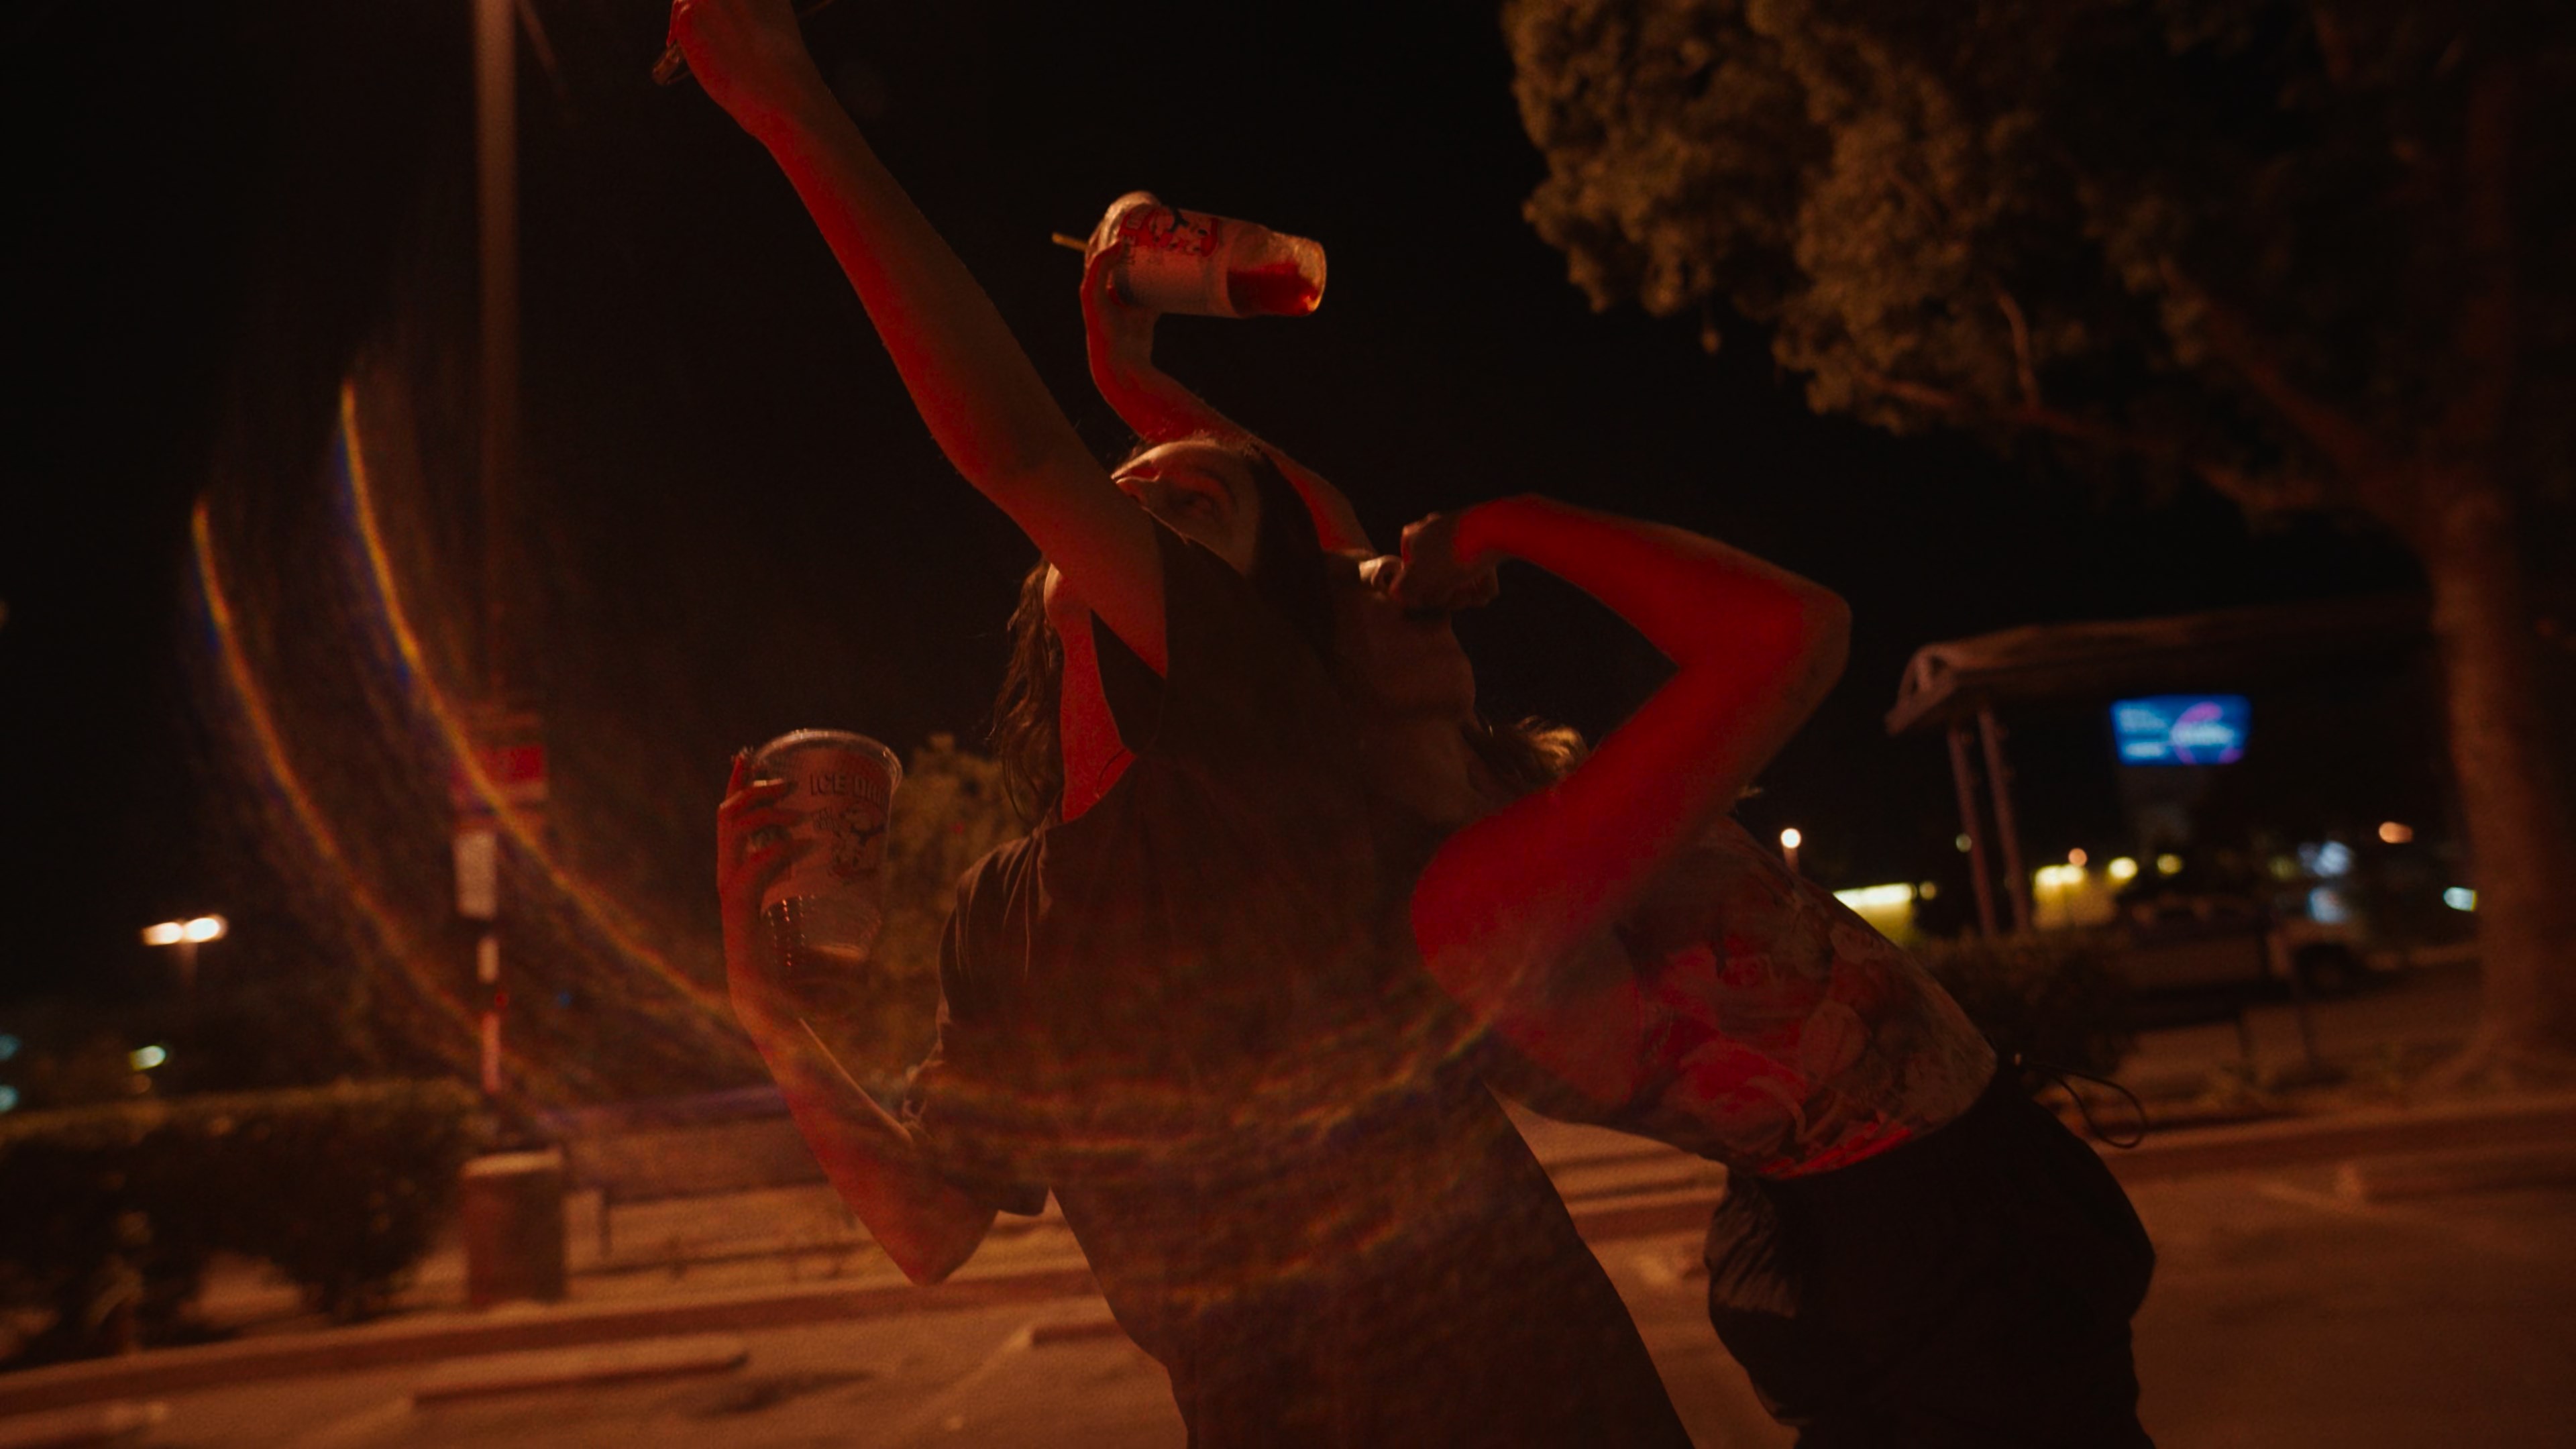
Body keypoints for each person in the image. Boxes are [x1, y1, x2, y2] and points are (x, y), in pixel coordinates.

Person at [676, 2, 1690, 1442]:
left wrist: (790, 103)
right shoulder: (1003, 912)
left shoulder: (1261, 737)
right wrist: (766, 1011)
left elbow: (1028, 454)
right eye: (1129, 481)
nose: (1142, 487)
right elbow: (932, 1229)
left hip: (1515, 1392)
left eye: (1195, 500)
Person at [1355, 504, 2159, 1447]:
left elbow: (1279, 512)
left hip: (1950, 1216)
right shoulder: (1469, 902)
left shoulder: (1499, 800)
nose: (1385, 574)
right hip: (1920, 1270)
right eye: (1348, 586)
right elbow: (1790, 630)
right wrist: (1505, 522)